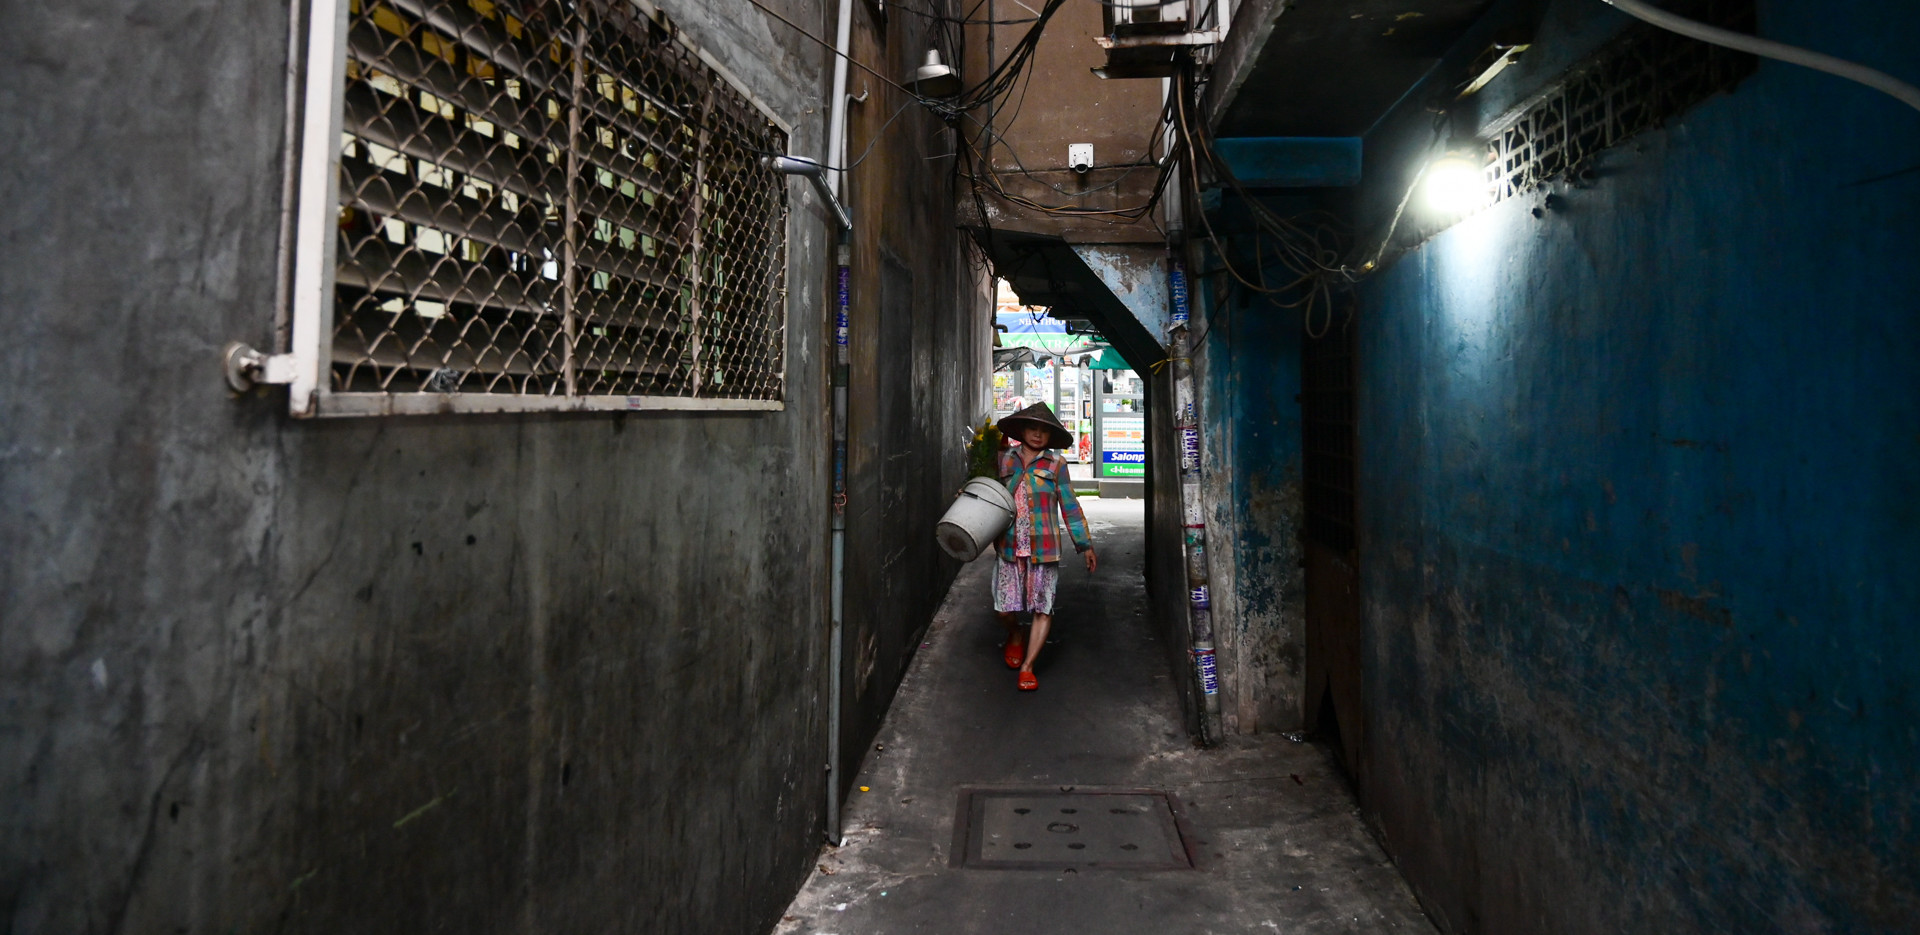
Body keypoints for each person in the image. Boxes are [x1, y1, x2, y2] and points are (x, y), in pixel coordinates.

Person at [992, 402, 1097, 691]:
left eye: (1044, 431)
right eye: (1032, 428)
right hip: (1009, 546)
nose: (1037, 434)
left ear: (1051, 437)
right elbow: (988, 494)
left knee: (1043, 607)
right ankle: (1015, 634)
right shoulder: (1004, 459)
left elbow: (1070, 505)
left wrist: (1084, 544)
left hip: (1044, 549)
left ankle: (1028, 666)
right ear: (1021, 430)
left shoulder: (1056, 465)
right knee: (1003, 609)